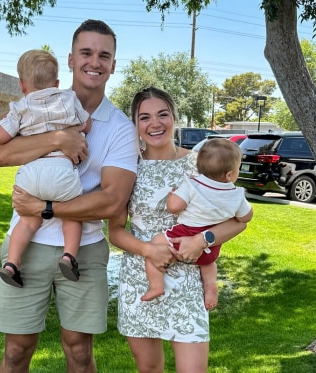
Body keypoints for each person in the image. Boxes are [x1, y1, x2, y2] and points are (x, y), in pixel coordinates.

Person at [0, 19, 139, 373]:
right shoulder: (34, 105)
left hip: (84, 248)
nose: (95, 61)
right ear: (70, 60)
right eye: (86, 52)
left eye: (105, 55)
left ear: (113, 65)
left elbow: (112, 201)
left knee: (80, 352)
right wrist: (58, 140)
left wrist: (44, 209)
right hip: (26, 247)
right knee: (16, 351)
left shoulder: (120, 128)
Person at [108, 87, 247, 373]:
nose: (154, 124)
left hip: (189, 280)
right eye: (144, 117)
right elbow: (116, 231)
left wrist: (202, 240)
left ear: (174, 117)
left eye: (162, 114)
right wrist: (149, 250)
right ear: (135, 123)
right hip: (141, 279)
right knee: (149, 370)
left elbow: (237, 218)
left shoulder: (200, 164)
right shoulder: (127, 166)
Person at [0, 49, 91, 287]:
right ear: (57, 83)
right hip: (61, 171)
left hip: (31, 174)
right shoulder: (68, 99)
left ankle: (12, 263)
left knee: (26, 221)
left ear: (22, 85)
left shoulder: (20, 107)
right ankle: (69, 257)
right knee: (72, 216)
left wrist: (7, 120)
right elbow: (86, 124)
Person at [142, 138, 253, 307]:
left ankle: (156, 285)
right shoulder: (236, 194)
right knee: (208, 264)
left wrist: (172, 196)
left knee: (153, 246)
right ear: (229, 174)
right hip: (213, 243)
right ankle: (210, 286)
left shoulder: (192, 184)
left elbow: (174, 207)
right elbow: (245, 218)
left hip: (184, 233)